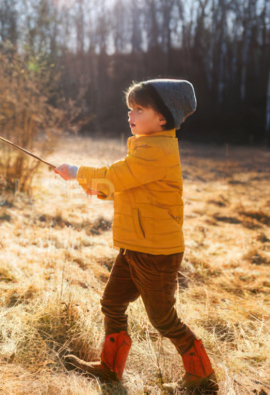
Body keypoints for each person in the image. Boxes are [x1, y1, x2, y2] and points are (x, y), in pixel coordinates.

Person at [54, 79, 217, 392]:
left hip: (156, 252)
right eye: (130, 108)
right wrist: (96, 188)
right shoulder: (146, 149)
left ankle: (202, 376)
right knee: (112, 303)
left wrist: (76, 171)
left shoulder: (158, 152)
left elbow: (117, 175)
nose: (131, 114)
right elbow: (123, 185)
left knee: (163, 319)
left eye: (140, 109)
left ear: (163, 118)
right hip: (134, 246)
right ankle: (110, 369)